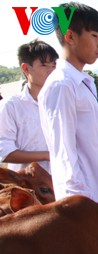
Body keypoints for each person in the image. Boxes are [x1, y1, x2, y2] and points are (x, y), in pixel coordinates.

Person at [38, 2, 98, 206]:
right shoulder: (62, 85)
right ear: (70, 36)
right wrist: (77, 205)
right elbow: (63, 153)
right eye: (95, 35)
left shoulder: (83, 82)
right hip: (86, 203)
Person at [0, 39, 58, 173]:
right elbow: (5, 152)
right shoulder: (10, 106)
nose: (51, 71)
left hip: (63, 181)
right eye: (44, 65)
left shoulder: (61, 102)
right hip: (29, 186)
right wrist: (47, 155)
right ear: (26, 68)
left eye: (53, 65)